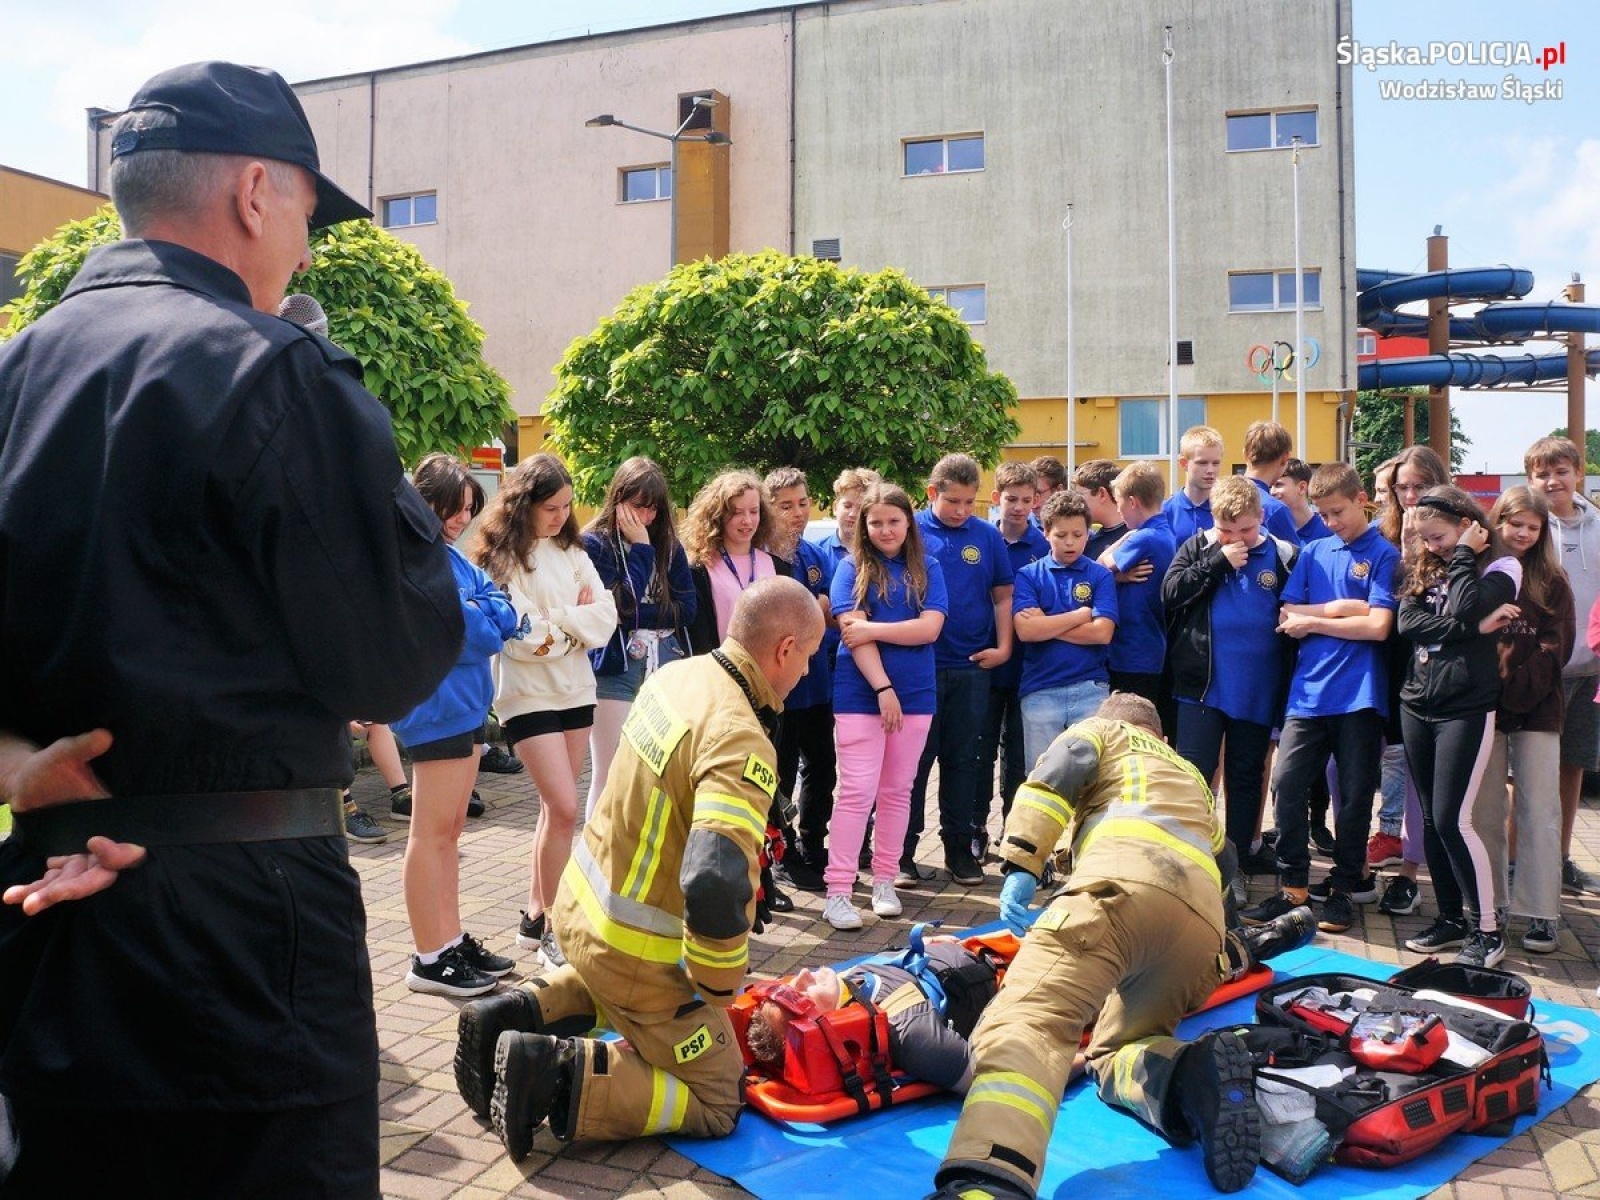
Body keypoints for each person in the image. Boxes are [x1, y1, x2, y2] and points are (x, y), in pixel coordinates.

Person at [0, 62, 463, 1197]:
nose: (306, 248)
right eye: (307, 211)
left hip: (51, 893)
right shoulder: (272, 369)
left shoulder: (12, 372)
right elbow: (395, 657)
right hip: (240, 927)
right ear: (256, 191)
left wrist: (13, 764)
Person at [450, 578, 825, 1158]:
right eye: (808, 655)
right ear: (785, 648)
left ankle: (512, 1013)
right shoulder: (740, 739)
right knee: (719, 1095)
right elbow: (715, 877)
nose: (806, 672)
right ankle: (554, 1075)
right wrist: (718, 988)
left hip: (581, 915)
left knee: (622, 995)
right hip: (637, 952)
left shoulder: (680, 674)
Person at [928, 694, 1262, 1198]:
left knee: (1031, 1020)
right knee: (1119, 1050)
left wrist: (1021, 864)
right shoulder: (1190, 776)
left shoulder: (1104, 733)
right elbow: (1226, 859)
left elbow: (1056, 776)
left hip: (1121, 888)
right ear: (1163, 739)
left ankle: (988, 1181)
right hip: (1199, 924)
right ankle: (1190, 1075)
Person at [470, 453, 618, 970]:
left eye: (566, 506)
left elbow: (606, 616)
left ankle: (533, 918)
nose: (560, 516)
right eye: (551, 507)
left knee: (552, 812)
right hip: (525, 696)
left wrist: (560, 623)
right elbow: (518, 637)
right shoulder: (503, 559)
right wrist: (572, 623)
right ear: (523, 503)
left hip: (575, 689)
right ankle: (556, 926)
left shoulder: (572, 549)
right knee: (564, 808)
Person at [1243, 463, 1400, 935]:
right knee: (1286, 786)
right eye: (1325, 514)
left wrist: (1315, 619)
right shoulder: (1313, 551)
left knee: (1353, 801)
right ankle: (1293, 886)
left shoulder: (1384, 554)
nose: (1332, 522)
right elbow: (1286, 610)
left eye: (1339, 512)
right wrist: (1338, 609)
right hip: (1308, 694)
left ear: (1361, 501)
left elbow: (1378, 626)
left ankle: (1344, 889)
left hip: (1360, 696)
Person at [392, 455, 522, 997]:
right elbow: (474, 628)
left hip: (465, 705)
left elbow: (501, 611)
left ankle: (448, 939)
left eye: (467, 509)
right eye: (451, 507)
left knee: (449, 835)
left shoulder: (447, 558)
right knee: (429, 835)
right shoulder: (412, 559)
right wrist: (480, 609)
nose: (458, 519)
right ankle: (430, 955)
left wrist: (480, 607)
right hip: (438, 706)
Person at [1396, 486, 1522, 968]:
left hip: (1465, 708)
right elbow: (1410, 623)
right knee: (1429, 819)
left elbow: (1466, 604)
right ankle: (1450, 919)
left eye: (1442, 536)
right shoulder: (1422, 565)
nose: (1434, 547)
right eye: (1426, 538)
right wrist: (1472, 630)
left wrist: (1467, 552)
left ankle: (1487, 928)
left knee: (1454, 818)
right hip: (1417, 703)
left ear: (1470, 524)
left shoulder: (1501, 567)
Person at [825, 483, 948, 929]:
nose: (885, 529)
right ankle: (838, 890)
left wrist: (876, 629)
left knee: (897, 792)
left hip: (916, 696)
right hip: (862, 696)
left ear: (908, 522)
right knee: (857, 792)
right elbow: (852, 636)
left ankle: (884, 880)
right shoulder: (849, 568)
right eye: (875, 522)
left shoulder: (928, 567)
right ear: (863, 525)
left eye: (893, 520)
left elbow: (930, 629)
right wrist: (883, 688)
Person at [1164, 476, 1298, 875]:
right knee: (1194, 777)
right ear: (1212, 520)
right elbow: (1170, 595)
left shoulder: (1285, 554)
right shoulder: (1199, 547)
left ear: (1261, 517)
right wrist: (1216, 561)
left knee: (1244, 779)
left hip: (1257, 690)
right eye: (1226, 530)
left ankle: (1233, 868)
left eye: (1245, 529)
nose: (1236, 538)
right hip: (1201, 688)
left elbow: (1299, 609)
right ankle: (1190, 860)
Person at [902, 454, 1015, 888]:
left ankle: (959, 851)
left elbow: (1003, 596)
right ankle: (904, 853)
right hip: (919, 669)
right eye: (953, 501)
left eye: (970, 502)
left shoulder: (987, 537)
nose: (962, 510)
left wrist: (1003, 648)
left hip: (972, 668)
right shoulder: (908, 530)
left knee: (964, 762)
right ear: (932, 494)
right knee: (912, 764)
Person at [1475, 486, 1573, 954]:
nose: (1524, 534)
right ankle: (1491, 905)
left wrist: (1515, 691)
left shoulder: (1552, 580)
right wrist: (1492, 693)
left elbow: (1556, 648)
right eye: (1516, 524)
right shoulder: (1482, 570)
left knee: (1539, 810)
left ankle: (1541, 913)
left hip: (1537, 707)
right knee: (1486, 811)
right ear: (1499, 520)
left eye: (1534, 528)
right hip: (1484, 706)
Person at [581, 457, 696, 822]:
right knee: (610, 766)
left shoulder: (671, 546)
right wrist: (641, 549)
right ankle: (595, 856)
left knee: (659, 763)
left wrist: (636, 615)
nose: (645, 517)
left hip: (666, 658)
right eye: (637, 506)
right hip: (615, 664)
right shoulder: (595, 544)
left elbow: (687, 609)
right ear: (617, 500)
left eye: (652, 508)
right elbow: (620, 606)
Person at [1369, 447, 1451, 915]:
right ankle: (1366, 858)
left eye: (1420, 485)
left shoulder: (1452, 539)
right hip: (1385, 662)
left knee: (1422, 778)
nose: (1411, 495)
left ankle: (1410, 875)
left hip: (1431, 671)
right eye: (1403, 487)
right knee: (1360, 764)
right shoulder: (1385, 536)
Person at [1524, 436, 1600, 895]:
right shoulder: (1528, 528)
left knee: (1572, 765)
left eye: (1561, 471)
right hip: (1539, 673)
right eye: (1541, 473)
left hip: (1588, 671)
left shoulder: (1598, 526)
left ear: (1578, 473)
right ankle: (1521, 861)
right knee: (1525, 773)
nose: (1552, 481)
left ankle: (1562, 856)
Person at [765, 467, 838, 894]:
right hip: (779, 690)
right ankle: (782, 852)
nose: (797, 513)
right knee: (780, 772)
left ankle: (814, 842)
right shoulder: (762, 559)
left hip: (817, 684)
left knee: (822, 768)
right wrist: (814, 609)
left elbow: (827, 612)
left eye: (803, 503)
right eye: (786, 506)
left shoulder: (814, 554)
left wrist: (813, 610)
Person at [975, 462, 1050, 858]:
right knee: (979, 750)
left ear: (1036, 500)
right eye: (1011, 499)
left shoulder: (1043, 544)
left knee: (1019, 758)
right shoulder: (984, 539)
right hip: (985, 661)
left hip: (1029, 666)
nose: (1019, 507)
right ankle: (975, 829)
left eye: (1026, 499)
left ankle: (1013, 828)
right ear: (996, 499)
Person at [1013, 490, 1118, 771]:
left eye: (1077, 534)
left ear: (1088, 533)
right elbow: (1025, 632)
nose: (1070, 542)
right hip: (1040, 691)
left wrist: (1046, 623)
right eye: (1061, 535)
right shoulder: (1028, 575)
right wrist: (1079, 615)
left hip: (1090, 690)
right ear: (1046, 532)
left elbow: (1102, 633)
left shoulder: (1100, 575)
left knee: (1090, 781)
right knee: (1043, 779)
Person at [1098, 460, 1177, 713]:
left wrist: (1123, 538)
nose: (1119, 512)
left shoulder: (1144, 537)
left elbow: (1099, 566)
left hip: (1132, 652)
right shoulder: (1164, 533)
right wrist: (1119, 578)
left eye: (1119, 503)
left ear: (1133, 502)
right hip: (1147, 649)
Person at [683, 469, 792, 651]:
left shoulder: (779, 567)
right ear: (718, 515)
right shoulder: (699, 569)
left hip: (768, 674)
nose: (747, 521)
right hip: (719, 671)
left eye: (754, 511)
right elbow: (698, 637)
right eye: (737, 512)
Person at [1160, 425, 1226, 545]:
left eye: (1216, 463)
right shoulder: (1164, 512)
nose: (1210, 470)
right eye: (1202, 463)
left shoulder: (1228, 512)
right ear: (1184, 463)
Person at [1239, 420, 1302, 545]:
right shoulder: (1274, 509)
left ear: (1245, 454)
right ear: (1285, 458)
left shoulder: (1218, 496)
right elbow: (1292, 560)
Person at [1073, 459, 1127, 561]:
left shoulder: (1135, 538)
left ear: (1102, 494)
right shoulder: (1088, 543)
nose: (1076, 503)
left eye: (1080, 495)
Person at [1270, 457, 1332, 545]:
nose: (1272, 492)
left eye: (1278, 485)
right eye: (1270, 486)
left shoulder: (1328, 529)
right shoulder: (1270, 531)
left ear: (1302, 488)